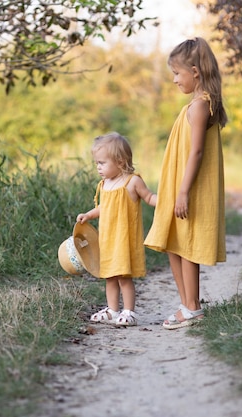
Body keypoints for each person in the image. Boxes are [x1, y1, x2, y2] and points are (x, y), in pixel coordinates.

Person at [144, 37, 227, 330]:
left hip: (188, 189)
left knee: (187, 245)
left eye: (177, 74)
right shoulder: (195, 105)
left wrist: (182, 191)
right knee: (174, 244)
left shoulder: (201, 106)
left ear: (195, 71)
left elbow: (196, 152)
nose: (175, 80)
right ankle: (186, 304)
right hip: (179, 185)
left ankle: (192, 307)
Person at [77, 132, 157, 326]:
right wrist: (88, 214)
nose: (98, 167)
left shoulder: (132, 182)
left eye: (102, 163)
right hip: (108, 239)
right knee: (110, 276)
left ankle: (129, 311)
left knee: (123, 276)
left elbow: (148, 197)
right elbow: (104, 207)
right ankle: (113, 310)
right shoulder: (105, 184)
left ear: (120, 162)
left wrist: (165, 202)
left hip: (124, 239)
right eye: (97, 163)